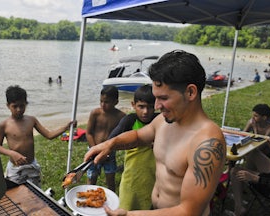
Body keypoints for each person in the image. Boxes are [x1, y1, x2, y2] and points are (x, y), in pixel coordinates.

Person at [84, 50, 226, 216]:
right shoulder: (164, 121)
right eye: (156, 97)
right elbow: (138, 136)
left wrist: (129, 215)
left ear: (190, 92)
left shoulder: (207, 143)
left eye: (164, 98)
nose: (157, 106)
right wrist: (110, 144)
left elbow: (189, 211)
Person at [0, 85, 75, 187]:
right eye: (15, 106)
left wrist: (66, 127)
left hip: (31, 165)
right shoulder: (4, 125)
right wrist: (12, 153)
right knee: (16, 193)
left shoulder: (31, 120)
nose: (19, 109)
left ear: (26, 104)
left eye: (22, 106)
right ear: (8, 105)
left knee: (35, 193)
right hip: (15, 169)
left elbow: (49, 135)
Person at [108, 85, 158, 210]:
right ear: (133, 104)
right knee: (127, 207)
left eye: (150, 107)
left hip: (155, 177)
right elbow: (112, 141)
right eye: (141, 107)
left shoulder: (160, 121)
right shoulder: (129, 121)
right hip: (133, 175)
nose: (145, 112)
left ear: (157, 105)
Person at [85, 85, 125, 192]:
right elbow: (88, 133)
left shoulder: (120, 117)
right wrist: (94, 149)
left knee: (110, 180)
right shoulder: (95, 113)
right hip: (93, 151)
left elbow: (123, 136)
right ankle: (89, 198)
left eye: (106, 102)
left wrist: (110, 149)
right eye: (101, 101)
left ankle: (111, 202)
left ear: (115, 102)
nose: (103, 104)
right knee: (91, 178)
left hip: (109, 153)